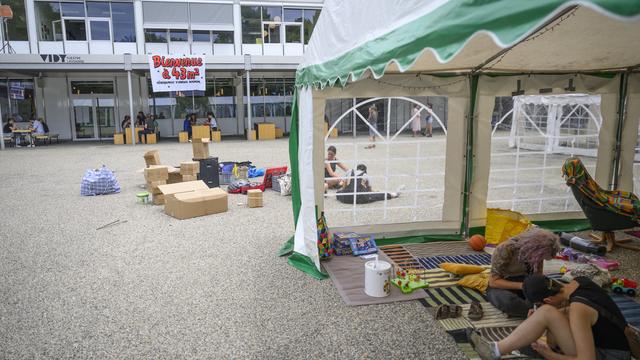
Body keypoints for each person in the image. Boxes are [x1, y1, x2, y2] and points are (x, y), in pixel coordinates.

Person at [469, 274, 632, 360]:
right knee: (549, 314)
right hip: (616, 342)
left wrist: (550, 355)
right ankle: (496, 349)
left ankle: (494, 351)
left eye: (540, 304)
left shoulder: (578, 309)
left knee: (547, 313)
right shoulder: (579, 282)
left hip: (612, 355)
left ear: (547, 300)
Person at [487, 228, 560, 318]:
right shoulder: (506, 249)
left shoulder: (538, 255)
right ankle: (536, 312)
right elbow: (493, 282)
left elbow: (537, 276)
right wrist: (523, 286)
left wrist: (537, 291)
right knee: (509, 302)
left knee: (555, 292)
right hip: (504, 283)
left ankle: (537, 310)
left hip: (527, 281)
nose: (541, 260)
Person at [336, 164, 402, 204]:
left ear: (357, 169)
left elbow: (344, 186)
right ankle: (394, 194)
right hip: (360, 198)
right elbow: (370, 190)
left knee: (338, 192)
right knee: (376, 196)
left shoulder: (350, 171)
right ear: (365, 170)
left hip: (346, 198)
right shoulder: (365, 175)